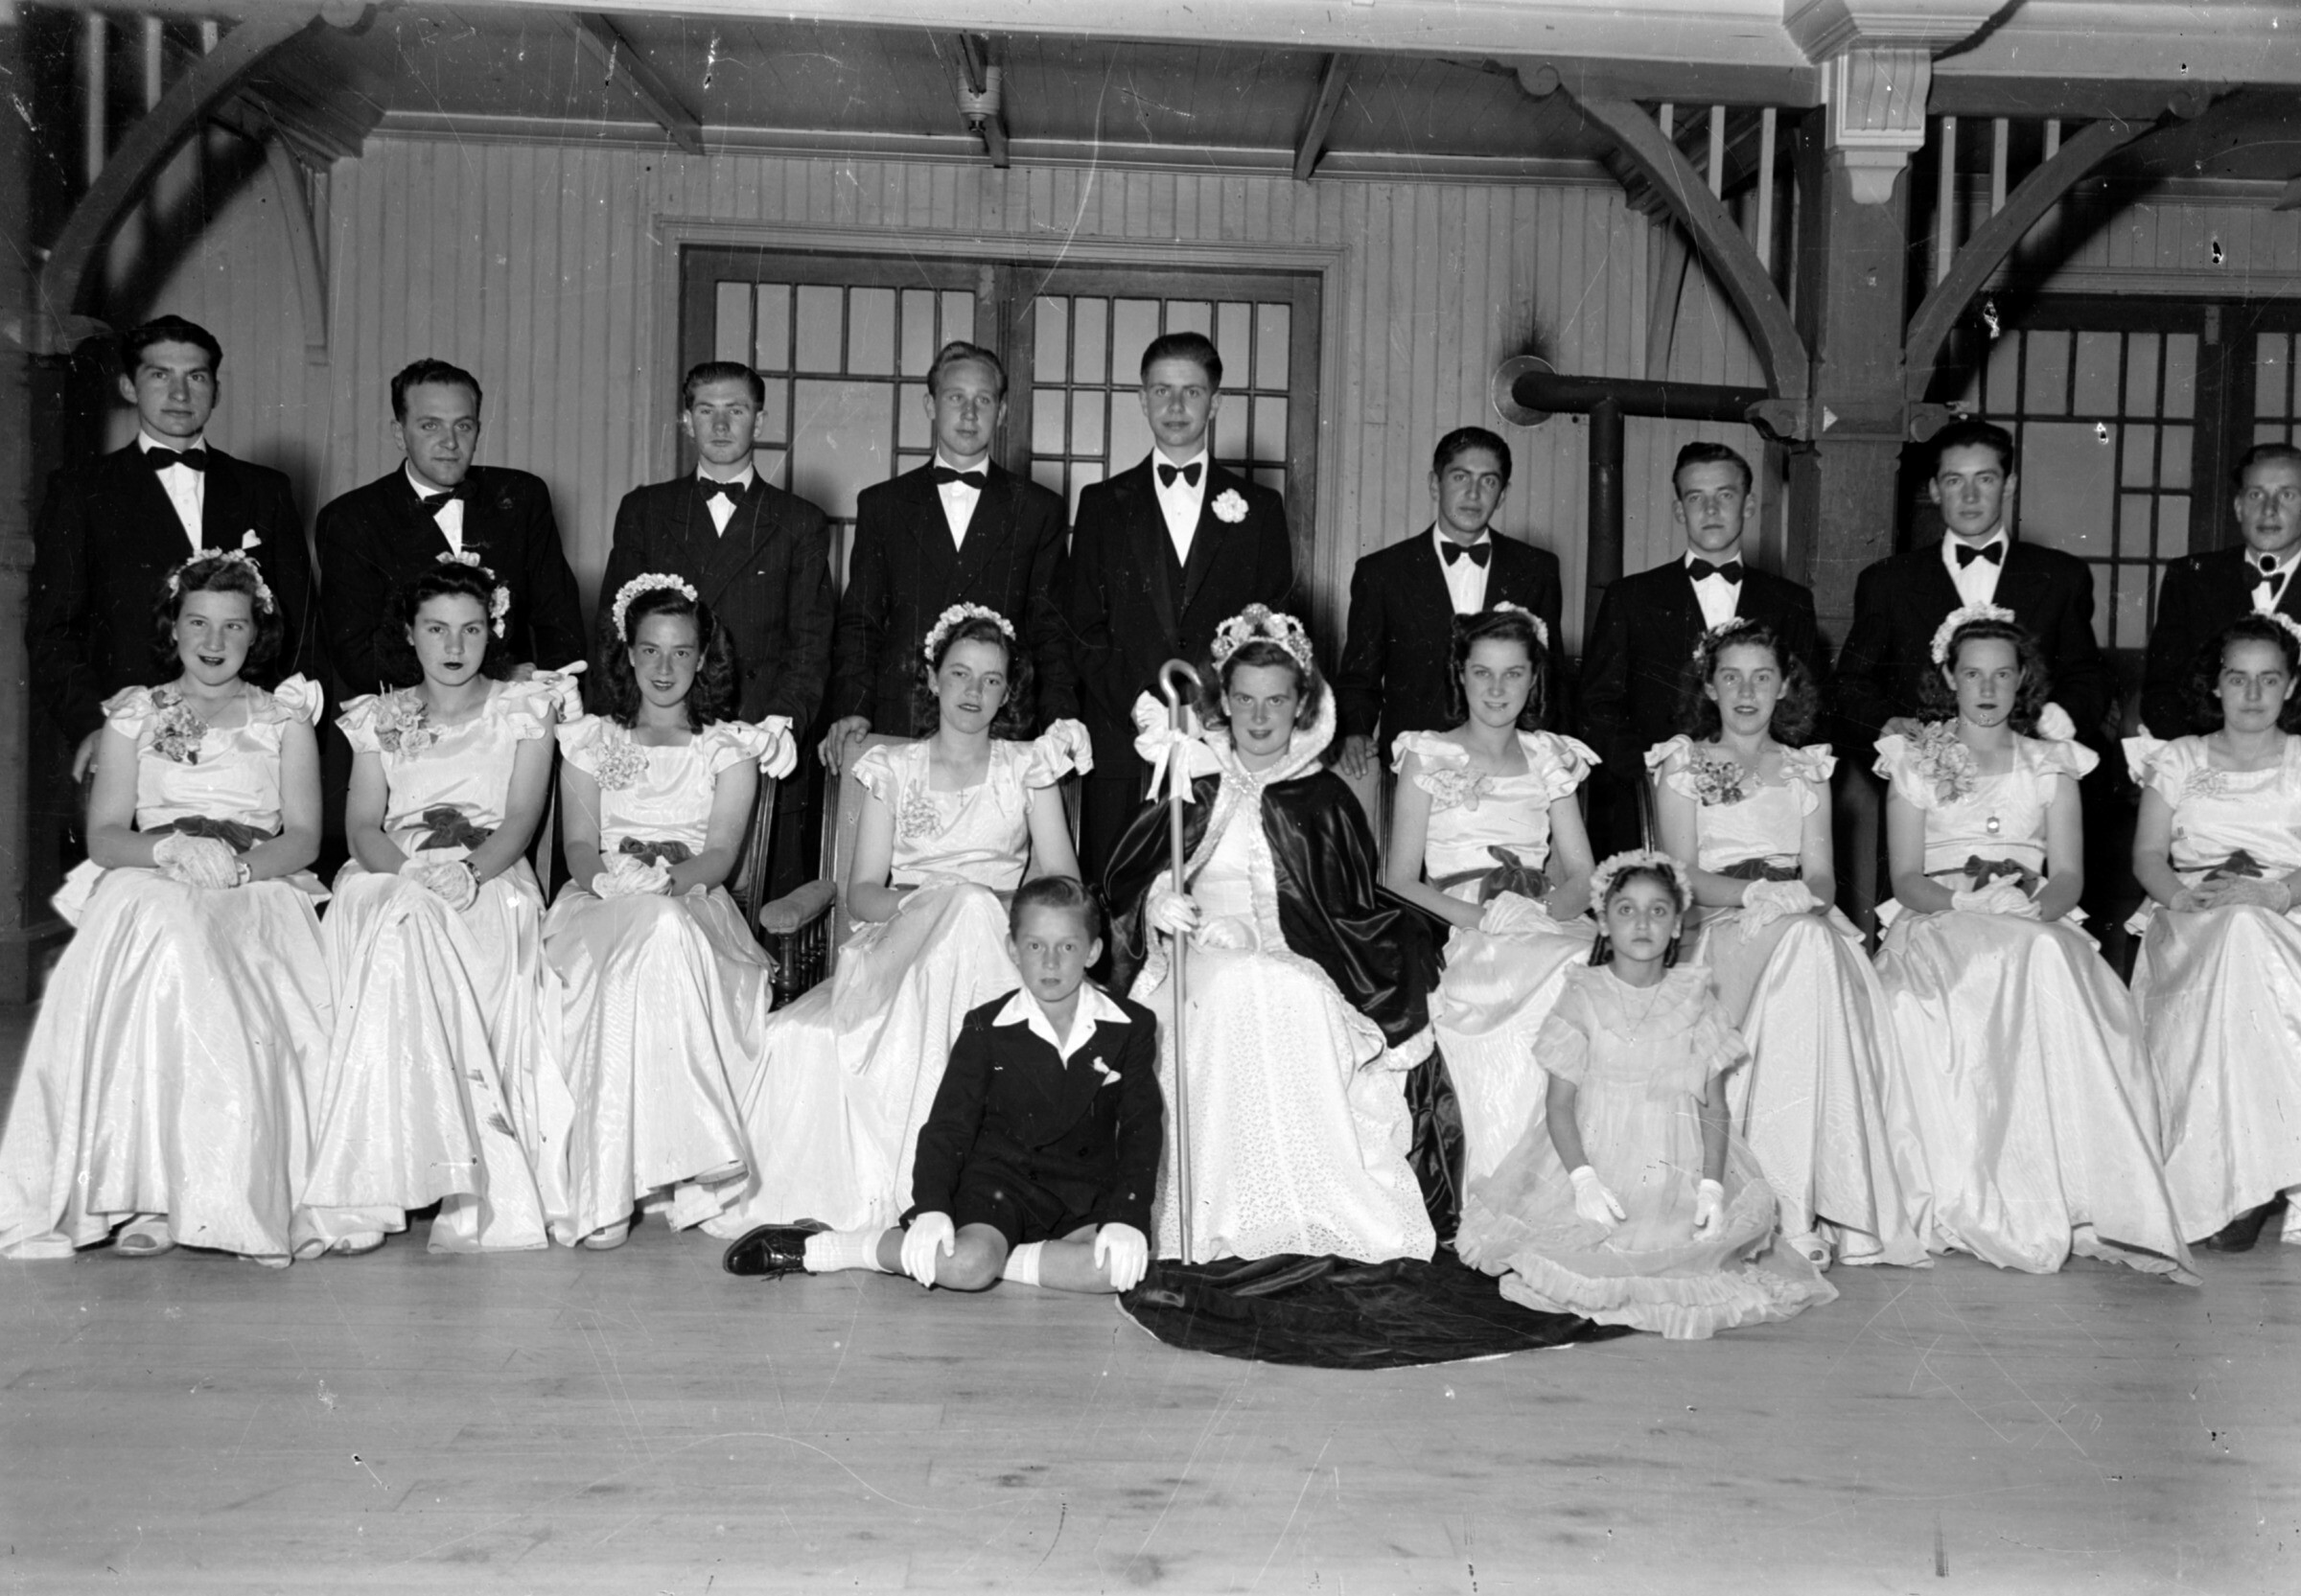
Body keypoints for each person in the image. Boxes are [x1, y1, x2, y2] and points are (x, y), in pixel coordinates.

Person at [705, 606, 1090, 1240]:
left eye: (991, 680)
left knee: (970, 909)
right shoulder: (893, 768)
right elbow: (862, 895)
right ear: (933, 678)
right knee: (951, 909)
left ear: (1007, 690)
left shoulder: (1030, 767)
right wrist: (933, 899)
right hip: (901, 946)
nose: (973, 692)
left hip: (995, 940)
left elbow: (1062, 887)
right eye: (960, 674)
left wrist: (975, 901)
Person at [0, 552, 327, 1264]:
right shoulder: (135, 713)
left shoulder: (283, 719)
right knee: (158, 924)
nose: (214, 642)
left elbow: (302, 835)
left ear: (256, 633)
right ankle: (143, 1188)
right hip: (153, 868)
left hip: (255, 879)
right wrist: (171, 852)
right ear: (172, 627)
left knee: (207, 938)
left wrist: (238, 867)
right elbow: (108, 833)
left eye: (233, 627)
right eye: (198, 623)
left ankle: (219, 1189)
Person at [1105, 605, 1436, 1264]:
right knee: (1239, 986)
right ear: (1223, 700)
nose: (1260, 718)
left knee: (1295, 992)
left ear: (1302, 704)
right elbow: (1123, 882)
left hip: (1296, 956)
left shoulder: (1325, 797)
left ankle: (1309, 1204)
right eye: (1246, 700)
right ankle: (1221, 1211)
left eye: (1277, 701)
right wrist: (1156, 904)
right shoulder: (1189, 782)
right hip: (1195, 953)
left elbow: (1349, 908)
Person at [1871, 606, 2194, 1280]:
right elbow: (1905, 875)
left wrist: (2026, 908)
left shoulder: (2052, 763)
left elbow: (2069, 876)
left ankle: (2059, 1189)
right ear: (1949, 680)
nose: (1987, 689)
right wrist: (1966, 901)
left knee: (2044, 956)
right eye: (1972, 674)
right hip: (1940, 911)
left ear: (2024, 681)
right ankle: (1956, 1186)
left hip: (2031, 910)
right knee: (1927, 992)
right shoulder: (1914, 761)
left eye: (2002, 675)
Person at [295, 557, 571, 1258]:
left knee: (434, 924)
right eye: (437, 629)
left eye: (471, 629)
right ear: (411, 635)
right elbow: (362, 826)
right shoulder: (379, 717)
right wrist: (413, 870)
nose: (454, 646)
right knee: (401, 921)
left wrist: (469, 872)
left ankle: (465, 1175)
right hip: (392, 872)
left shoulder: (523, 711)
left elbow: (520, 819)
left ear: (492, 632)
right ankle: (371, 1182)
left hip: (490, 872)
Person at [1454, 851, 1838, 1340]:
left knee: (1686, 1263)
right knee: (1580, 1259)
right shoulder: (1583, 994)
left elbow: (1713, 1108)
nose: (1642, 924)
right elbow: (1559, 1105)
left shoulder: (1695, 999)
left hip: (1671, 1167)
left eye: (1658, 911)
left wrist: (1712, 1187)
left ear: (1678, 925)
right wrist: (1583, 1180)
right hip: (1595, 1162)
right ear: (1604, 922)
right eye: (1625, 910)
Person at [722, 876, 1162, 1293]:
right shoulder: (987, 1026)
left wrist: (1128, 1216)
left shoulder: (1130, 1025)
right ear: (1012, 949)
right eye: (1034, 946)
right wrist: (932, 1207)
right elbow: (947, 1127)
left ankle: (997, 1259)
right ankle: (824, 1248)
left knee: (1117, 1270)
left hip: (1081, 1190)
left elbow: (1143, 1129)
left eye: (1067, 946)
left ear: (1093, 951)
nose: (1050, 962)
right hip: (1003, 1184)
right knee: (965, 1265)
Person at [1647, 619, 1924, 1270]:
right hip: (1719, 927)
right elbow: (1681, 874)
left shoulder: (1807, 769)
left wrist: (1798, 897)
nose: (1747, 691)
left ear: (1784, 687)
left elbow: (1822, 877)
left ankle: (1800, 1202)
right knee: (1807, 947)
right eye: (1732, 677)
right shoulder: (1682, 763)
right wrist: (1752, 897)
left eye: (1762, 677)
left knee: (1811, 944)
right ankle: (1783, 1208)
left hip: (1799, 925)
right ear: (1709, 687)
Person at [545, 576, 799, 1250]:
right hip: (599, 900)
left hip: (690, 899)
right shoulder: (591, 740)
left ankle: (639, 1176)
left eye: (681, 653)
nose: (664, 668)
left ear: (702, 657)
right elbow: (575, 843)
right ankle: (636, 1174)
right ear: (626, 654)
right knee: (645, 933)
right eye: (650, 650)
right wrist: (610, 879)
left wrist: (664, 884)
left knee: (662, 929)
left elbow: (719, 854)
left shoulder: (727, 748)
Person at [28, 314, 319, 782]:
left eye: (196, 377)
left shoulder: (265, 489)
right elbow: (52, 633)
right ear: (128, 387)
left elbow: (303, 629)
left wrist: (286, 728)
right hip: (131, 744)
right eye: (160, 375)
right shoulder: (81, 491)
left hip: (250, 745)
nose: (180, 395)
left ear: (216, 391)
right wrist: (92, 726)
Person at [1062, 331, 1293, 876]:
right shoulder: (1101, 504)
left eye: (1191, 392)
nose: (1175, 406)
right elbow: (1082, 626)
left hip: (1223, 740)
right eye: (1161, 391)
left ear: (1215, 403)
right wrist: (1141, 706)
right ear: (1142, 400)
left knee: (1214, 891)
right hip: (1125, 742)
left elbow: (1270, 630)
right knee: (1119, 896)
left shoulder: (1259, 508)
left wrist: (1209, 709)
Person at [1383, 605, 1596, 1191]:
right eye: (1483, 673)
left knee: (1583, 968)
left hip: (1539, 915)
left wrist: (1539, 912)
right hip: (1461, 922)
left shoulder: (1550, 757)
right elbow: (1400, 878)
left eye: (1513, 674)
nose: (1497, 689)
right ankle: (1503, 1178)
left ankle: (1568, 1174)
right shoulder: (1430, 754)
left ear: (1534, 679)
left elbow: (1581, 873)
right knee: (1517, 972)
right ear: (1461, 675)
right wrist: (1487, 918)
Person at [2127, 613, 2301, 1251]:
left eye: (2268, 679)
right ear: (2217, 685)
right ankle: (2227, 1179)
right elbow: (2148, 856)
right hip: (2192, 921)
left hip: (2287, 917)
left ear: (2290, 684)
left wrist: (2275, 893)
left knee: (2248, 934)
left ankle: (2254, 1179)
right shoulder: (2178, 757)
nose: (2253, 695)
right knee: (2232, 934)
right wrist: (2184, 898)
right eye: (2238, 678)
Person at [821, 343, 1074, 772]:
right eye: (956, 397)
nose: (970, 413)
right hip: (898, 722)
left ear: (1003, 410)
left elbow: (1052, 632)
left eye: (984, 400)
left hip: (1002, 726)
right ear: (931, 405)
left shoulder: (1037, 508)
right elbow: (860, 623)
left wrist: (1059, 722)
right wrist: (855, 706)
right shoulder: (883, 504)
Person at [1577, 442, 1823, 857]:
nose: (1711, 510)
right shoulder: (1631, 597)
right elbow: (1596, 705)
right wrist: (1651, 774)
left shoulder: (1789, 601)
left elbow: (1810, 705)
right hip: (1653, 804)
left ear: (1747, 506)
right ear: (1679, 511)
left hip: (1758, 806)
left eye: (1724, 495)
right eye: (1696, 497)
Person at [1837, 419, 2109, 757]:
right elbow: (1851, 682)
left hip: (2030, 770)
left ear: (2009, 485)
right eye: (1954, 480)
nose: (1970, 496)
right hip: (1923, 772)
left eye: (1985, 479)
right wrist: (1884, 722)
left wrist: (2066, 712)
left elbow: (2086, 675)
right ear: (1935, 489)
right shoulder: (1887, 581)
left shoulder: (2062, 576)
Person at [315, 358, 588, 695]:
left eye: (463, 426)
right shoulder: (349, 518)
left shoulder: (522, 496)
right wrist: (493, 677)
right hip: (406, 719)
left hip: (518, 713)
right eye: (430, 426)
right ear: (399, 434)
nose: (450, 442)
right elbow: (358, 657)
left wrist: (553, 702)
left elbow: (559, 625)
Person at [599, 360, 834, 730]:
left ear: (758, 422)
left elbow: (809, 648)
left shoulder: (801, 521)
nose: (720, 426)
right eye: (706, 410)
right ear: (688, 422)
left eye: (735, 411)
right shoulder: (644, 511)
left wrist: (780, 726)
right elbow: (614, 630)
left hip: (758, 727)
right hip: (662, 726)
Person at [1334, 428, 1565, 780]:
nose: (1473, 494)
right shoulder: (1382, 573)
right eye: (1460, 477)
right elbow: (1359, 677)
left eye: (1488, 482)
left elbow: (1550, 677)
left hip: (1508, 766)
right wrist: (1357, 731)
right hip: (1416, 765)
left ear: (1502, 495)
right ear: (1434, 484)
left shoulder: (1537, 570)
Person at [2142, 444, 2301, 739]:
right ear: (2239, 507)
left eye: (2287, 495)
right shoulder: (2191, 577)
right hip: (2207, 753)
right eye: (2256, 495)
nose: (2269, 510)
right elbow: (2162, 691)